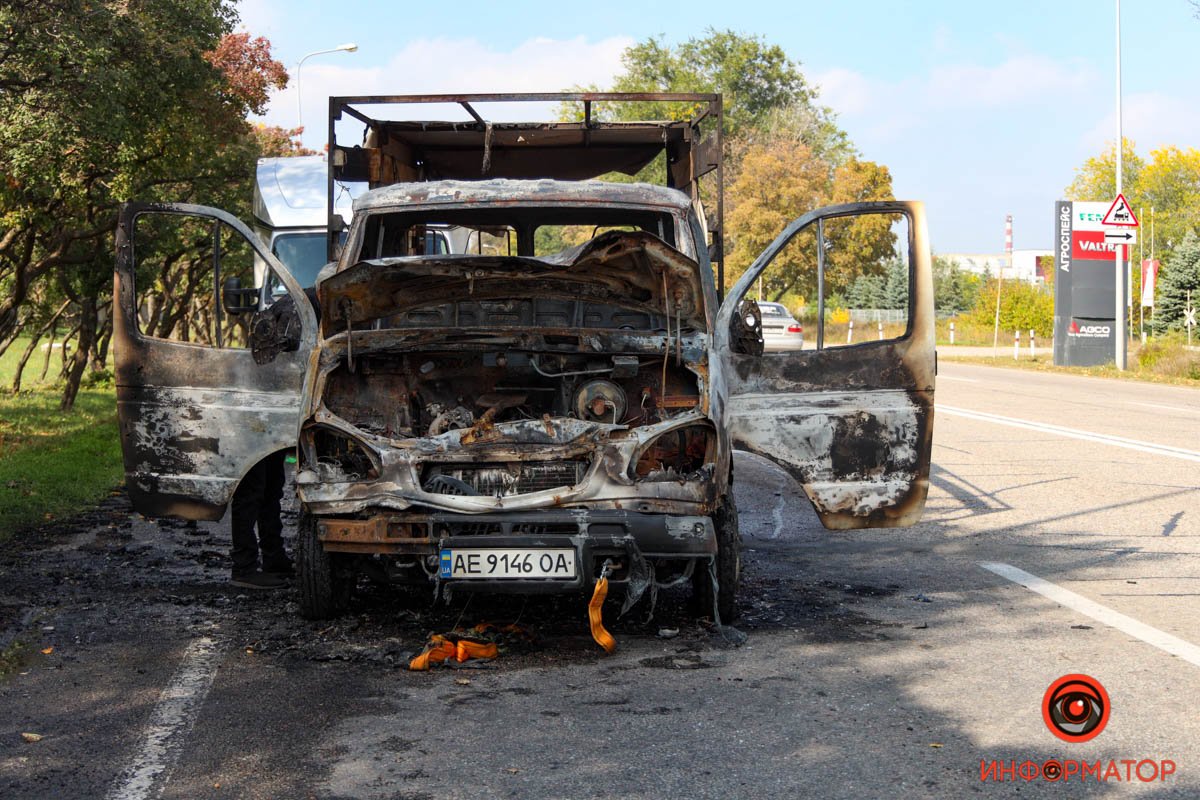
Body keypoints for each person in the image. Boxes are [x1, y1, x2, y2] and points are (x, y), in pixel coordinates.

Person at [229, 450, 293, 589]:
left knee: (272, 487)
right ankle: (243, 567)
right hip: (251, 435)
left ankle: (273, 558)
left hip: (272, 433)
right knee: (250, 490)